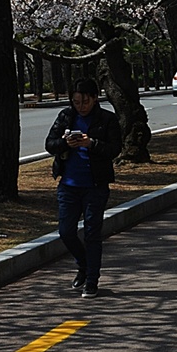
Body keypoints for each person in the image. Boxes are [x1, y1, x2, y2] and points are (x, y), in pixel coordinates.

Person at [45, 78, 123, 298]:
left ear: (95, 98)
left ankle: (91, 280)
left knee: (92, 233)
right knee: (66, 232)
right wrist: (65, 143)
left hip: (95, 186)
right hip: (68, 185)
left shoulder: (107, 119)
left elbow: (114, 149)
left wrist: (92, 144)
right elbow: (49, 144)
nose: (81, 106)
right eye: (77, 101)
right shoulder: (66, 116)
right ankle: (84, 264)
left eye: (85, 101)